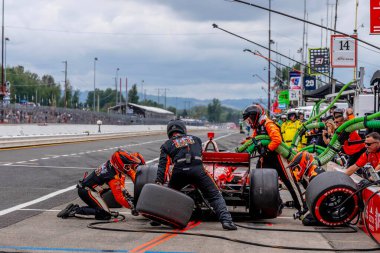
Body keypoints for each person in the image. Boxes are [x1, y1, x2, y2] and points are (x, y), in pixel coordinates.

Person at [155, 119, 237, 230]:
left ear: (169, 132)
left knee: (168, 196)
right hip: (197, 169)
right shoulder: (197, 140)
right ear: (184, 129)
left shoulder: (166, 145)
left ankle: (156, 219)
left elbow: (163, 166)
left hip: (179, 171)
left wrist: (159, 181)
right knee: (215, 195)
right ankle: (227, 221)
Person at [242, 104, 303, 213]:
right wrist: (246, 143)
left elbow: (277, 140)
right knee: (260, 182)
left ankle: (303, 208)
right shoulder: (259, 126)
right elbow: (255, 139)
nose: (249, 122)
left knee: (290, 182)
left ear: (255, 116)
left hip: (278, 157)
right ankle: (276, 205)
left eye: (250, 119)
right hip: (265, 157)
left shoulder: (268, 124)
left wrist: (267, 149)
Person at [57, 149, 145, 219]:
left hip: (91, 190)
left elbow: (122, 187)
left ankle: (83, 209)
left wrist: (131, 196)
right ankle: (75, 210)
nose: (128, 168)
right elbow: (119, 198)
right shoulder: (112, 176)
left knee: (104, 211)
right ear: (119, 164)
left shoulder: (112, 166)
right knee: (104, 214)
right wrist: (133, 207)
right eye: (127, 166)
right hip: (87, 191)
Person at [287, 151, 325, 226]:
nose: (296, 170)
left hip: (325, 204)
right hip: (323, 200)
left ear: (304, 163)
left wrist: (303, 211)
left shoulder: (315, 175)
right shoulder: (313, 171)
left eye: (297, 168)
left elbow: (315, 198)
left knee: (306, 220)